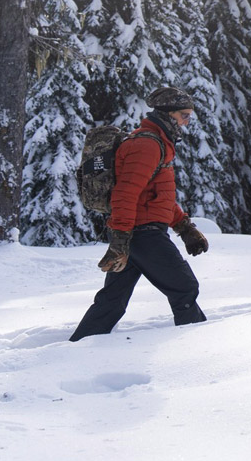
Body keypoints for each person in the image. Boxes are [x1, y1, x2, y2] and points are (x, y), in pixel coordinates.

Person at [70, 87, 211, 341]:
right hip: (143, 234)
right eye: (184, 115)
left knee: (112, 301)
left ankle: (75, 348)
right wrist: (120, 240)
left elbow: (157, 197)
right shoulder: (146, 144)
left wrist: (185, 228)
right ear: (168, 114)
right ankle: (196, 347)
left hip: (137, 233)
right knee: (184, 286)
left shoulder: (157, 142)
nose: (187, 121)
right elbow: (125, 194)